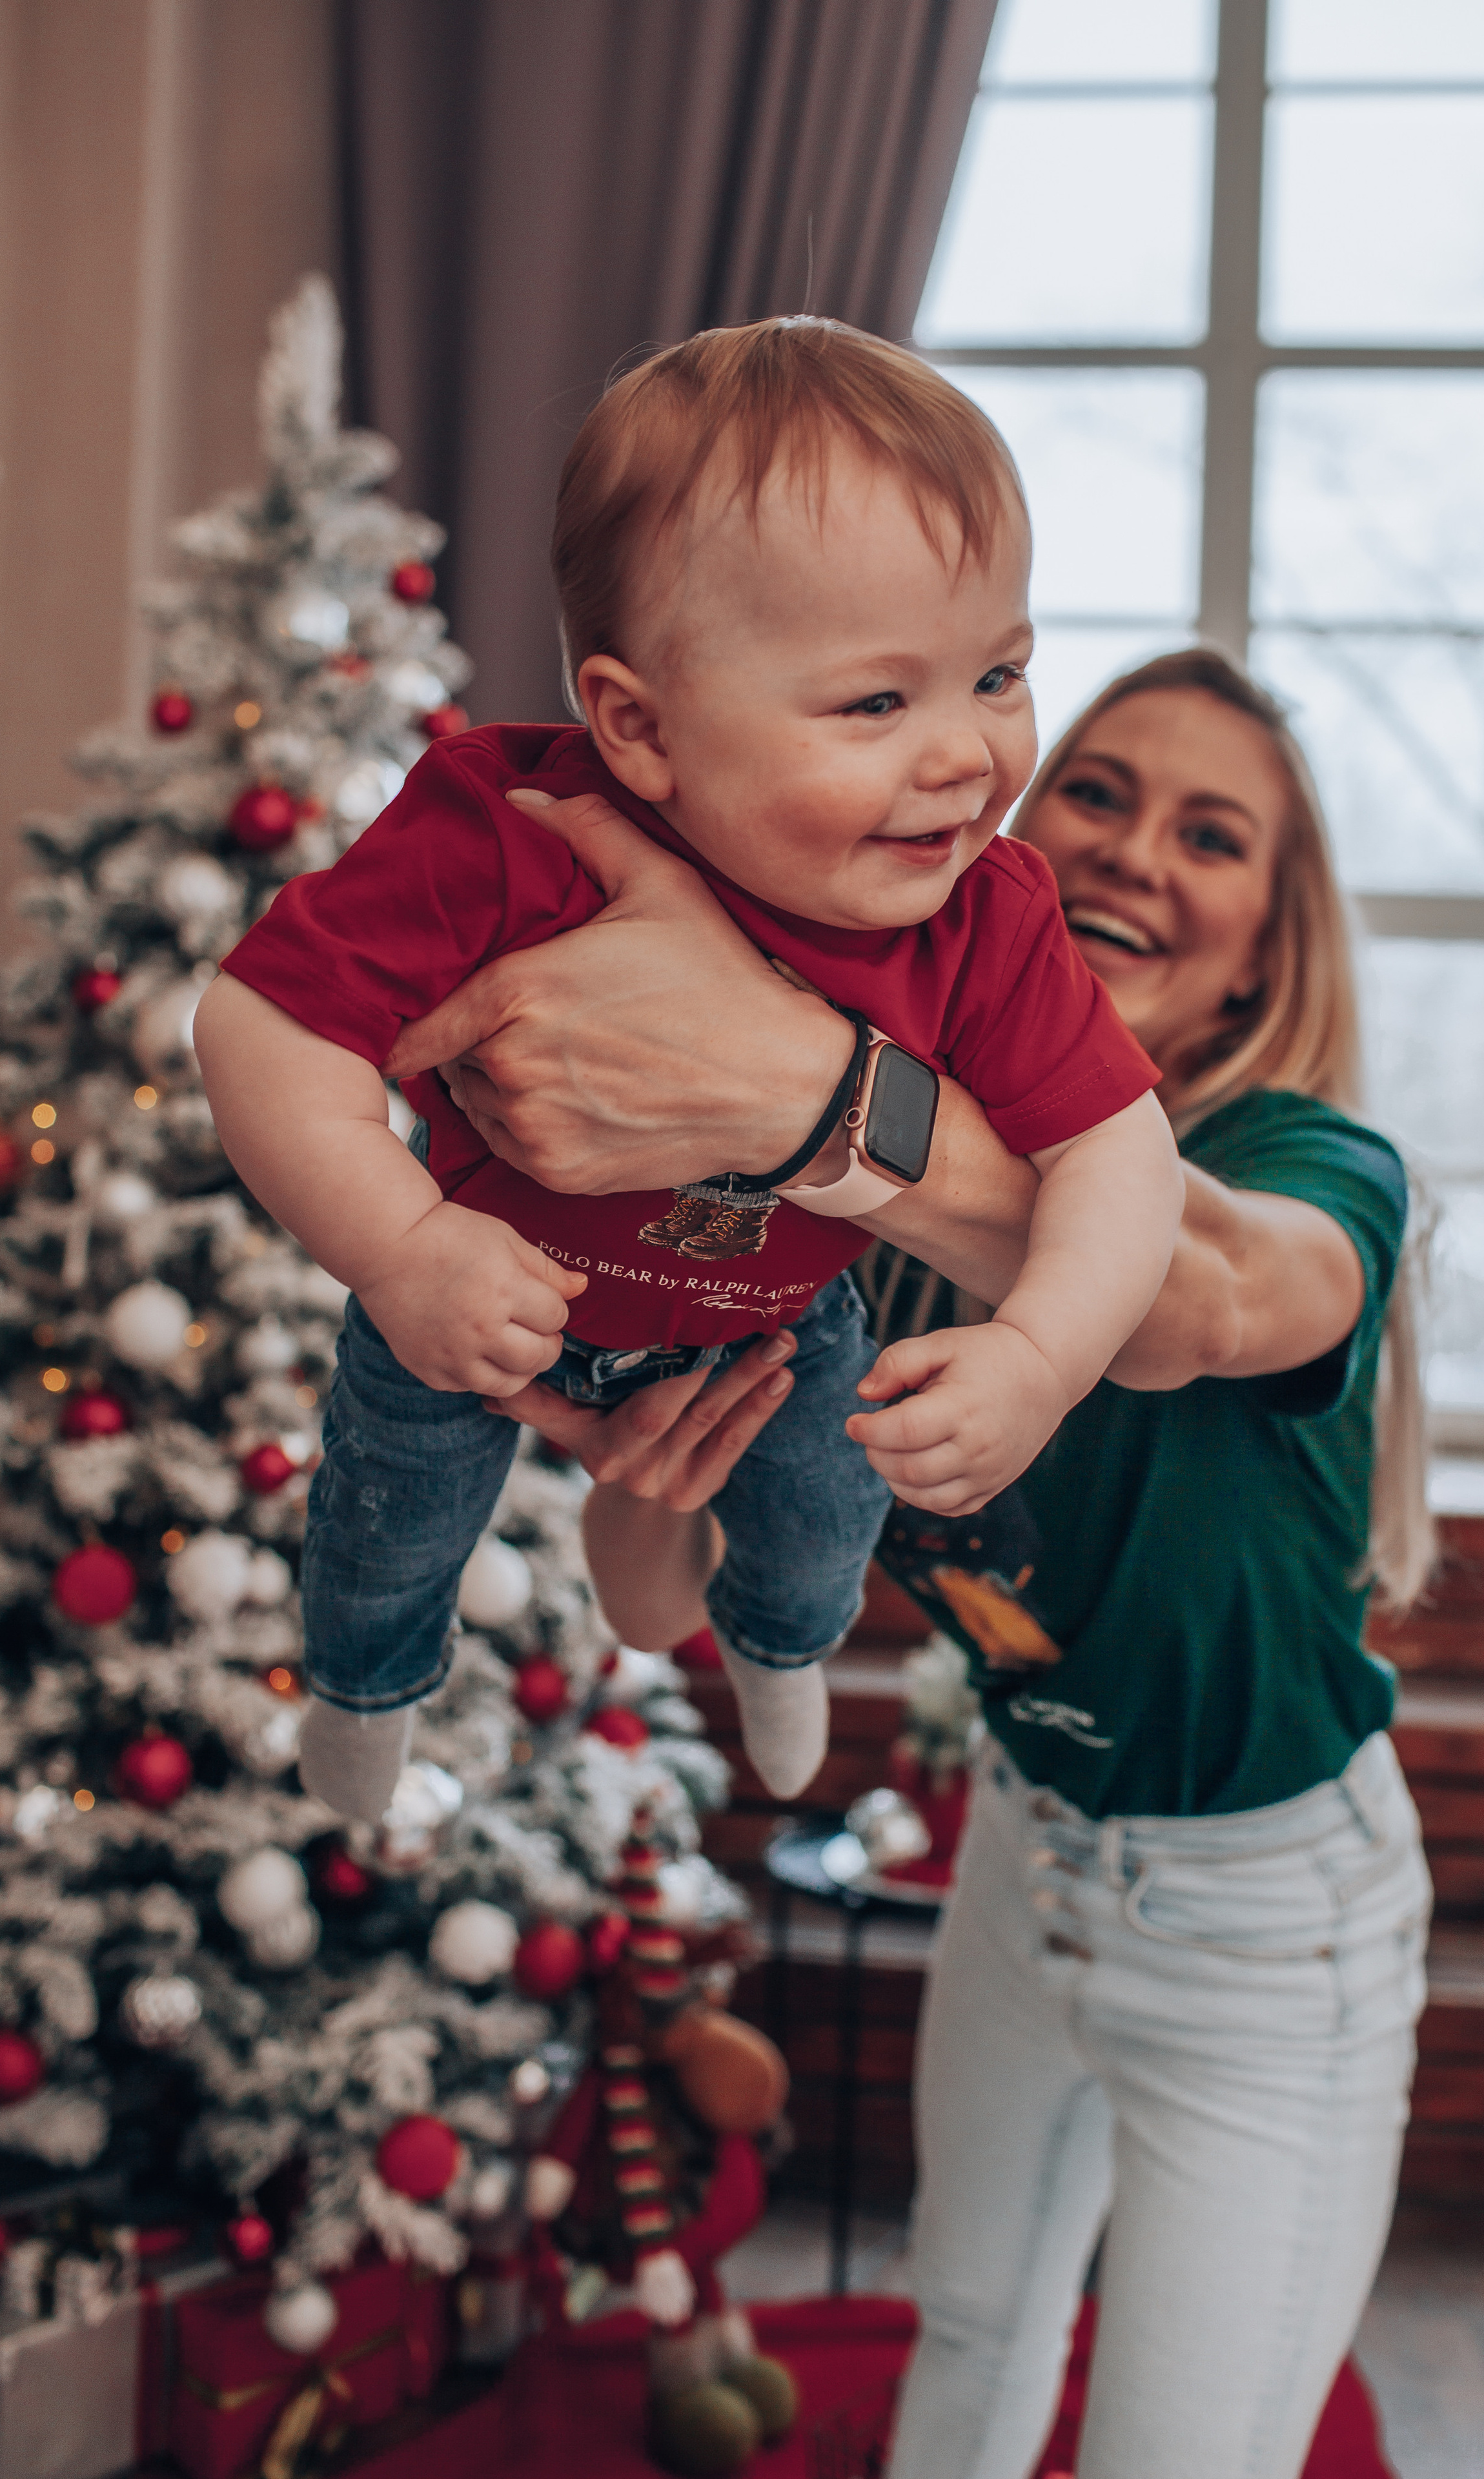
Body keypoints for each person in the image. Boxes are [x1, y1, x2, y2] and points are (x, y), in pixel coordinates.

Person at [387, 646, 1436, 2479]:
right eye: (1098, 794)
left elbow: (1186, 1303)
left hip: (1272, 1924)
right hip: (1029, 1858)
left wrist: (804, 1095)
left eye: (1213, 835)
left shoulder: (1317, 1162)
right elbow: (653, 1600)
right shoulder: (882, 1197)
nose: (1132, 854)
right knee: (963, 2348)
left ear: (1268, 949)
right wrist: (654, 1470)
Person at [194, 317, 1179, 1829]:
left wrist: (1039, 1356)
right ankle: (362, 1693)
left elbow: (1119, 1152)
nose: (968, 756)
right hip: (479, 1299)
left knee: (818, 1518)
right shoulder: (502, 827)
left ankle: (785, 1652)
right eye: (875, 702)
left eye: (999, 674)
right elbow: (260, 1025)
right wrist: (401, 1247)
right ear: (638, 729)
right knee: (384, 1524)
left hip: (773, 1326)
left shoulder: (986, 912)